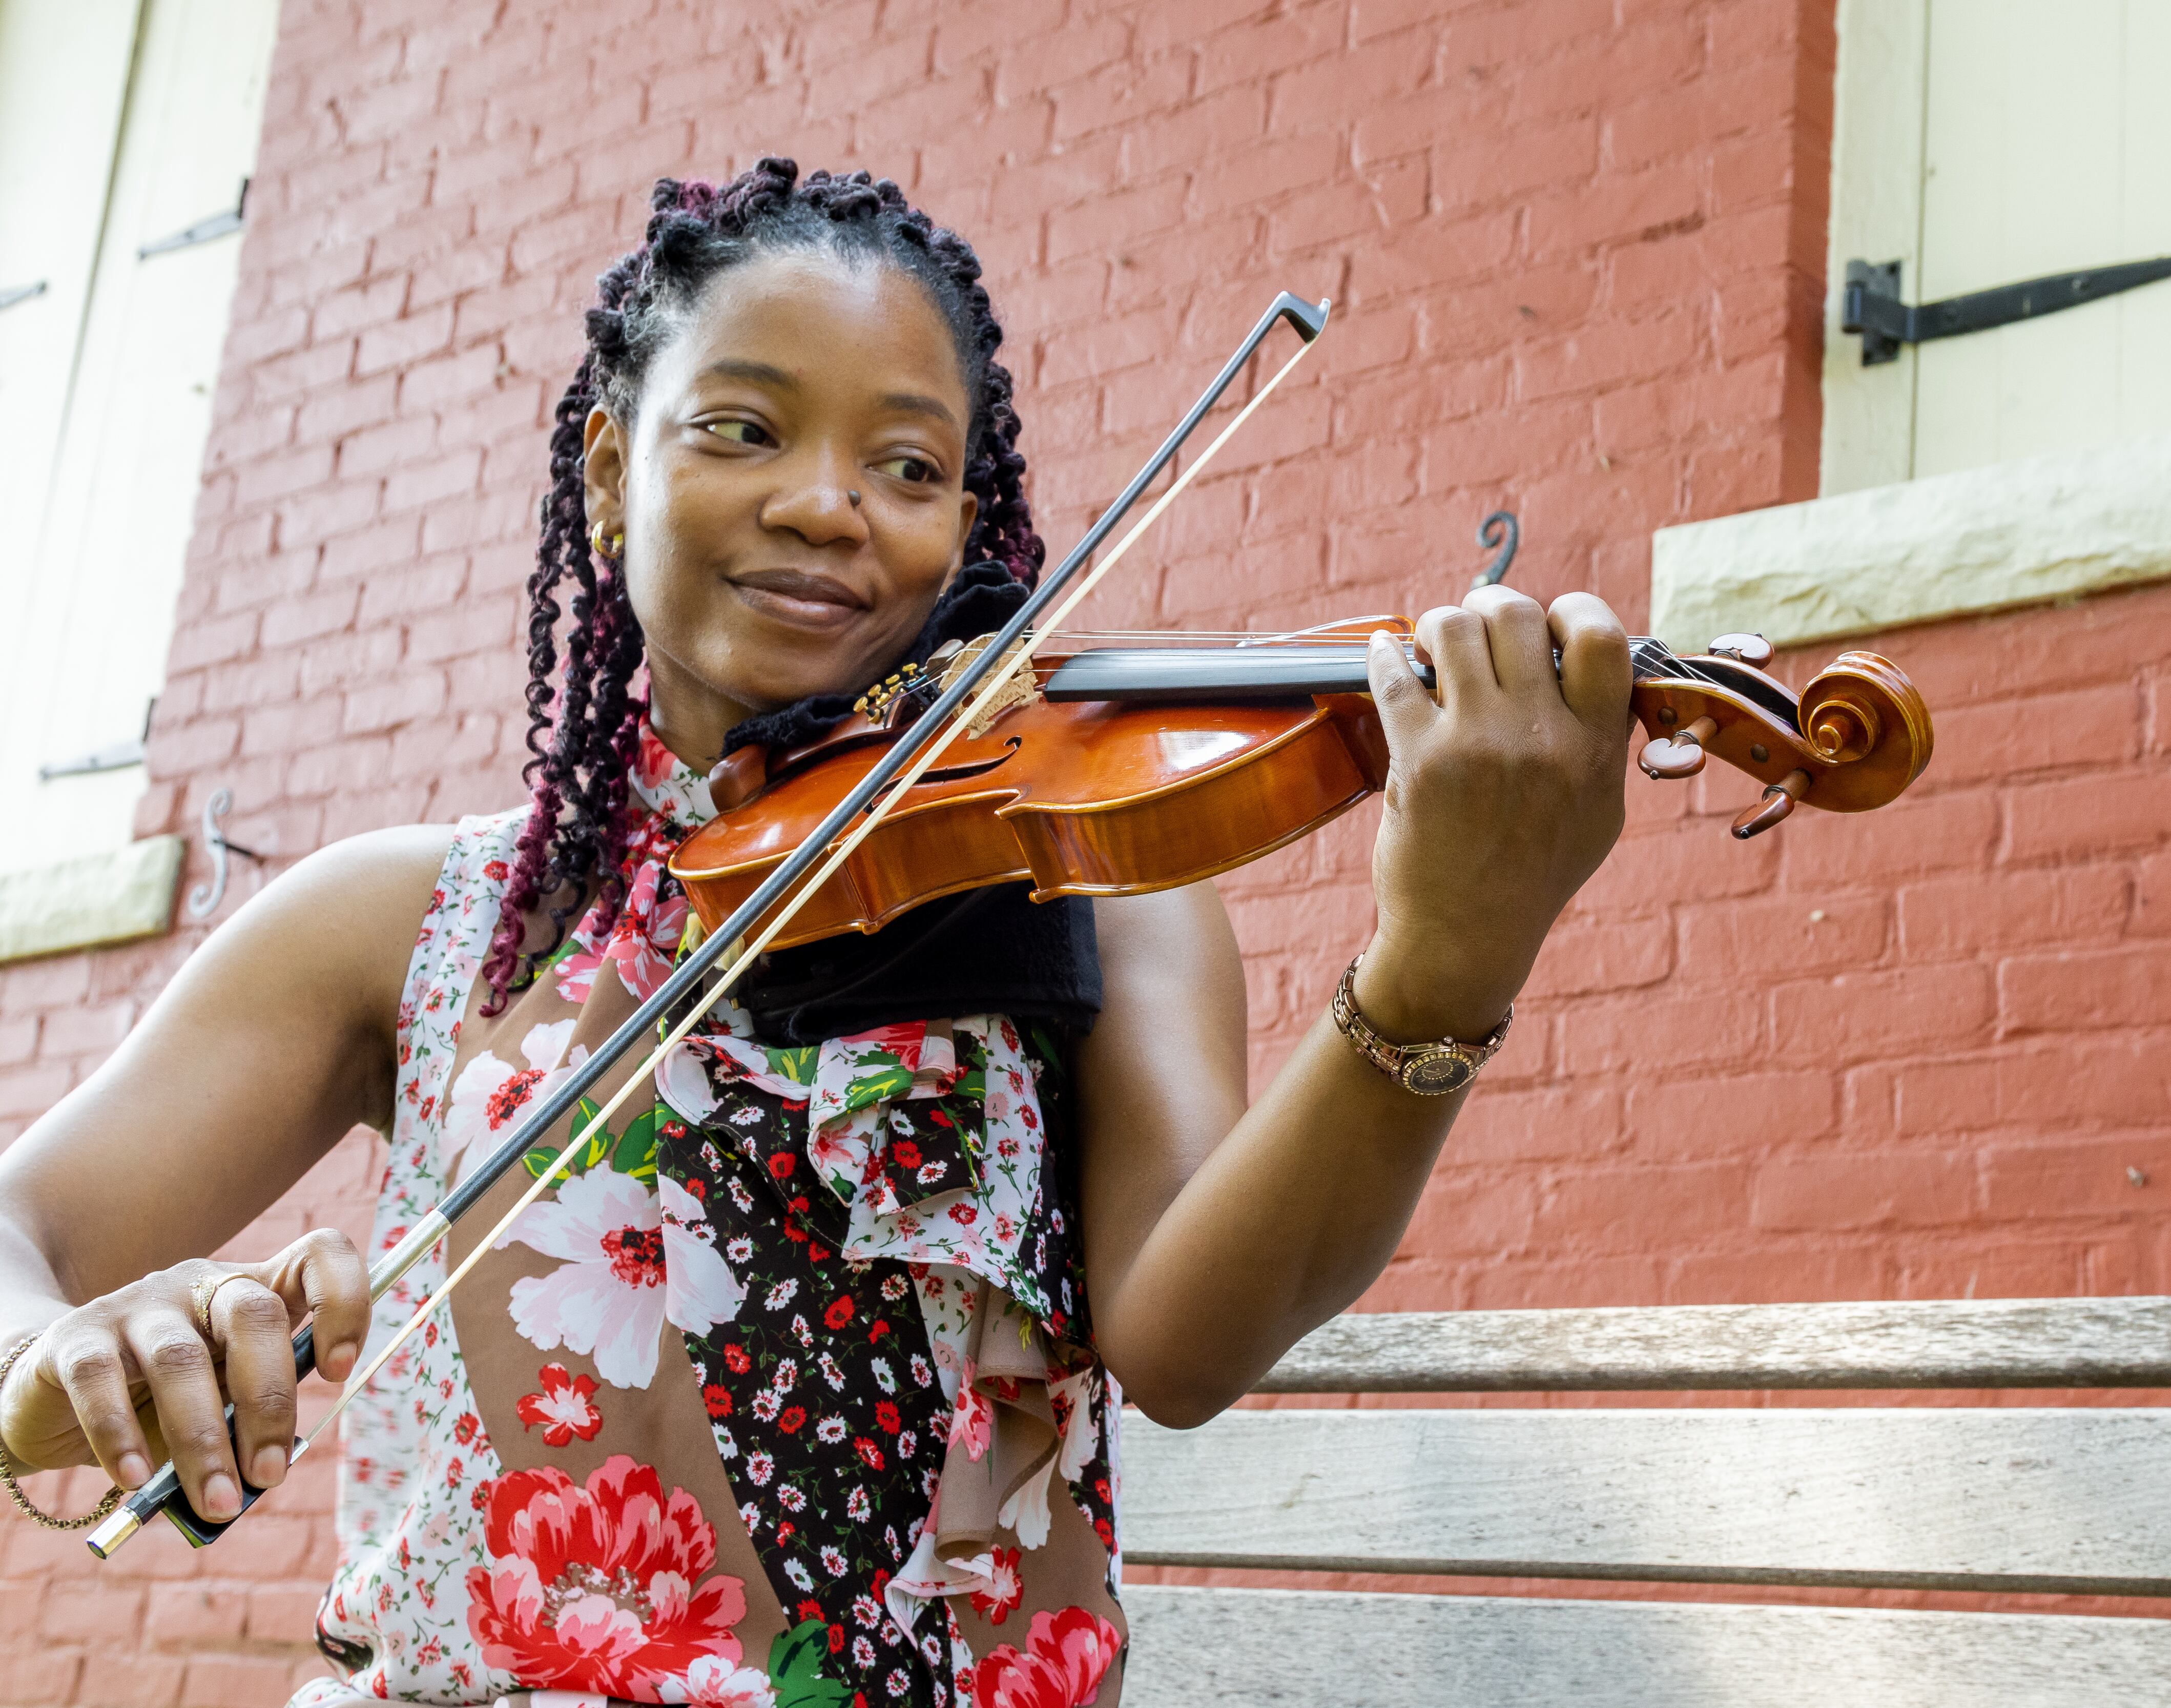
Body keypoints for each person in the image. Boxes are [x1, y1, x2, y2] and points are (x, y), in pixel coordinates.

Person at [0, 160, 1631, 1708]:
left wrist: (1442, 969)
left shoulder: (1077, 891)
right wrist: (73, 1349)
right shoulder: (421, 918)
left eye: (911, 466)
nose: (829, 506)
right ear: (604, 469)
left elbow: (1186, 1342)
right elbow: (22, 1234)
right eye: (742, 429)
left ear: (967, 527)